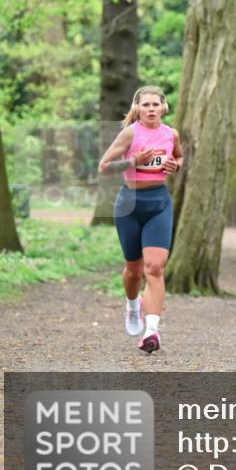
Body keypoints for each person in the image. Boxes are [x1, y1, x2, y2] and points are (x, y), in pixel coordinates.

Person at [98, 86, 183, 354]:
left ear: (163, 107)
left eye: (154, 105)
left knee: (155, 268)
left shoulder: (171, 134)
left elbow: (179, 156)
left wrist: (175, 165)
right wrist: (133, 161)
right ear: (138, 108)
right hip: (129, 204)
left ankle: (152, 330)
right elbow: (104, 167)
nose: (150, 109)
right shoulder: (130, 133)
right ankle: (133, 306)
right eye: (145, 105)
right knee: (134, 270)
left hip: (159, 203)